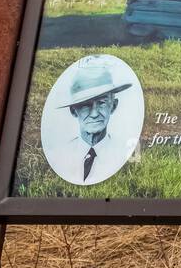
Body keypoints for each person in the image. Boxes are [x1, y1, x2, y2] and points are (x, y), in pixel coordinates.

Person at [44, 57, 137, 185]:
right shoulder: (59, 155)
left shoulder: (127, 153)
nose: (94, 114)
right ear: (73, 111)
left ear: (113, 106)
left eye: (102, 103)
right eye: (85, 105)